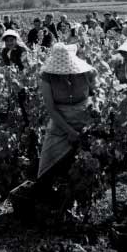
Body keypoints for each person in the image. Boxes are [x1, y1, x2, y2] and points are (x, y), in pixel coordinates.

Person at [34, 44, 97, 208]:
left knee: (85, 163)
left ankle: (81, 199)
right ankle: (49, 201)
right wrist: (69, 131)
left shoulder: (87, 73)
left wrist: (94, 113)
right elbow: (51, 109)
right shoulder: (47, 77)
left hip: (85, 121)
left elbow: (96, 96)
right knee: (48, 162)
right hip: (60, 123)